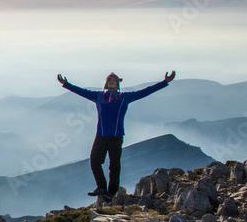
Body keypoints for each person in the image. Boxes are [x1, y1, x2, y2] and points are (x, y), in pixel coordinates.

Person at [56, 70, 175, 199]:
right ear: (106, 84)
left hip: (116, 137)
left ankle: (111, 193)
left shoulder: (124, 97)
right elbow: (82, 91)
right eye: (109, 80)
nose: (112, 82)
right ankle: (101, 187)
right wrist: (66, 84)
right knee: (95, 161)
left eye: (114, 80)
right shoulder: (99, 96)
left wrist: (165, 82)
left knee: (114, 166)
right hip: (101, 136)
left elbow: (145, 91)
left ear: (118, 84)